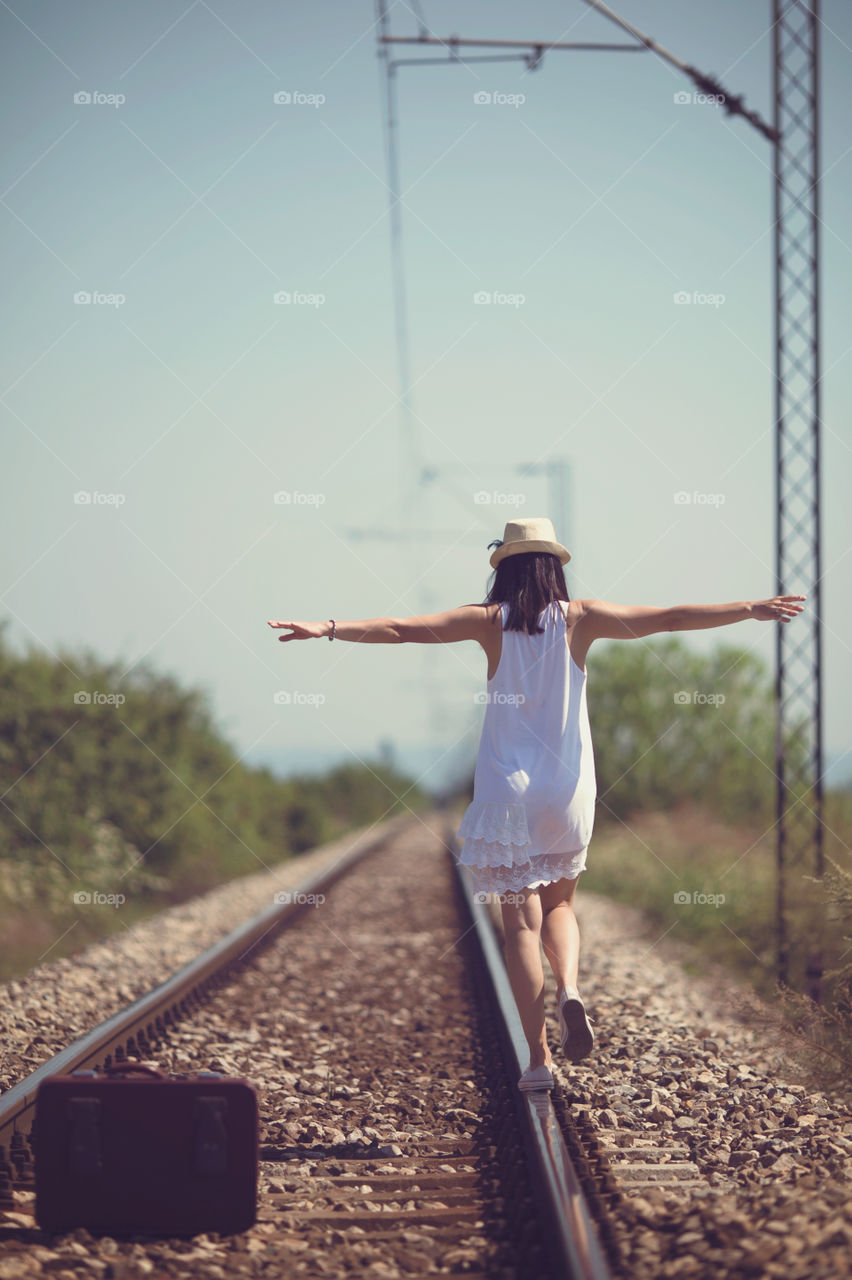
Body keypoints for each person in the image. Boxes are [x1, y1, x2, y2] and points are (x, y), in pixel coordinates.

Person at [267, 516, 806, 1093]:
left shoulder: (488, 623)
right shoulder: (583, 619)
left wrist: (325, 628)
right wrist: (750, 607)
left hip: (507, 792)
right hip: (568, 792)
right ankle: (570, 987)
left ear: (505, 569)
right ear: (554, 567)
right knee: (560, 908)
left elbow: (401, 628)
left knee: (519, 924)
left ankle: (539, 1059)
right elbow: (669, 618)